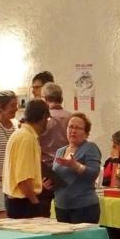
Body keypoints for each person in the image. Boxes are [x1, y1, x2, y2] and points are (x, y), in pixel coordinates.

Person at [51, 113, 103, 223]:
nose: (73, 131)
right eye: (70, 127)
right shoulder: (60, 151)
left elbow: (93, 173)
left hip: (84, 207)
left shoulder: (90, 148)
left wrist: (75, 165)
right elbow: (58, 175)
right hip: (61, 206)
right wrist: (49, 182)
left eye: (78, 128)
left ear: (86, 133)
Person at [4, 99, 49, 218]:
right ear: (44, 117)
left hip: (16, 201)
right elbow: (23, 179)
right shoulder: (27, 138)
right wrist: (35, 203)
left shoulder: (18, 134)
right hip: (24, 204)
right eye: (48, 119)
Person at [36, 82, 70, 215]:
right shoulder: (71, 117)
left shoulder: (42, 119)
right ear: (61, 98)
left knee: (43, 211)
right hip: (66, 168)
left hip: (46, 171)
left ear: (44, 98)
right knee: (63, 210)